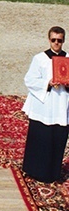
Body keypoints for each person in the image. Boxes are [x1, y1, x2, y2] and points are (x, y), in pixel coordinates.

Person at [22, 26, 69, 183]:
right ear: (49, 39)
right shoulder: (39, 59)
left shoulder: (68, 58)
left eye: (59, 40)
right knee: (41, 138)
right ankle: (35, 170)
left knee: (57, 138)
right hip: (44, 104)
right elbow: (30, 80)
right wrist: (47, 83)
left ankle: (52, 172)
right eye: (53, 40)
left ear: (63, 40)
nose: (56, 43)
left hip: (61, 104)